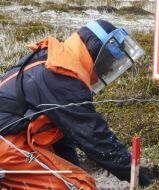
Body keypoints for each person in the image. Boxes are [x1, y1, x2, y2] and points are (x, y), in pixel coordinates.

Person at [0, 19, 150, 189]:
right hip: (6, 142)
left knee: (71, 176)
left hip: (13, 136)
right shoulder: (63, 78)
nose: (109, 70)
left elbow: (62, 138)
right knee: (80, 185)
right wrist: (143, 181)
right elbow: (95, 139)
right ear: (97, 53)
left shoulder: (53, 58)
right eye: (109, 63)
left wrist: (72, 169)